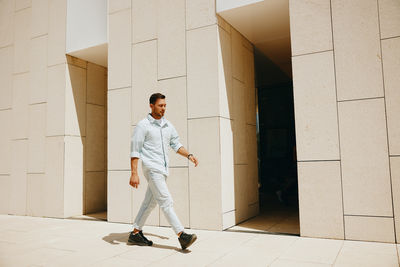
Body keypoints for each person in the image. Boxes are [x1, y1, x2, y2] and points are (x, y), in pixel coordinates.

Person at [128, 93, 199, 250]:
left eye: (165, 105)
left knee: (150, 202)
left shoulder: (168, 125)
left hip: (163, 170)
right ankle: (182, 235)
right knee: (166, 201)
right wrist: (134, 173)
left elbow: (176, 144)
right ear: (151, 106)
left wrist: (189, 155)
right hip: (152, 168)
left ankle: (135, 233)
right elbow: (135, 150)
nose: (163, 108)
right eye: (160, 105)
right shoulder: (143, 125)